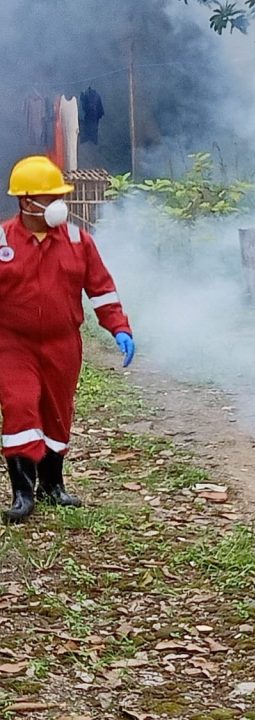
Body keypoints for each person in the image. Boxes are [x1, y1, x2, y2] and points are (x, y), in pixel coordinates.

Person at [0, 155, 135, 524]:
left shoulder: (79, 241)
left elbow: (101, 289)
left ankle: (52, 485)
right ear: (27, 202)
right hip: (12, 344)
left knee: (58, 413)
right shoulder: (2, 241)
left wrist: (119, 327)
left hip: (63, 344)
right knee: (21, 406)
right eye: (51, 196)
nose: (60, 203)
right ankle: (22, 493)